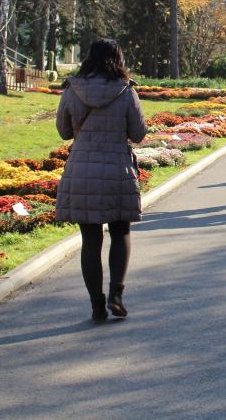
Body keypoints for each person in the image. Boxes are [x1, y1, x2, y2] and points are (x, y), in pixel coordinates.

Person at [55, 38, 147, 322]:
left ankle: (97, 304)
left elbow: (63, 132)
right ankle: (117, 295)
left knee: (90, 240)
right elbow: (139, 133)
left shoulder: (72, 89)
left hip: (82, 170)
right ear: (118, 58)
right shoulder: (125, 90)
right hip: (116, 169)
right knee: (120, 232)